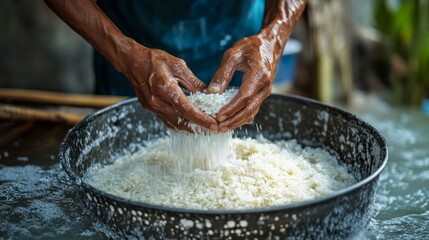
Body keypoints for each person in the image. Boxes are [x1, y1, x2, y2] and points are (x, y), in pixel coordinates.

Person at [44, 0, 306, 132]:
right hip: (131, 44)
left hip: (236, 34)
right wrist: (124, 53)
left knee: (232, 121)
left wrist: (273, 38)